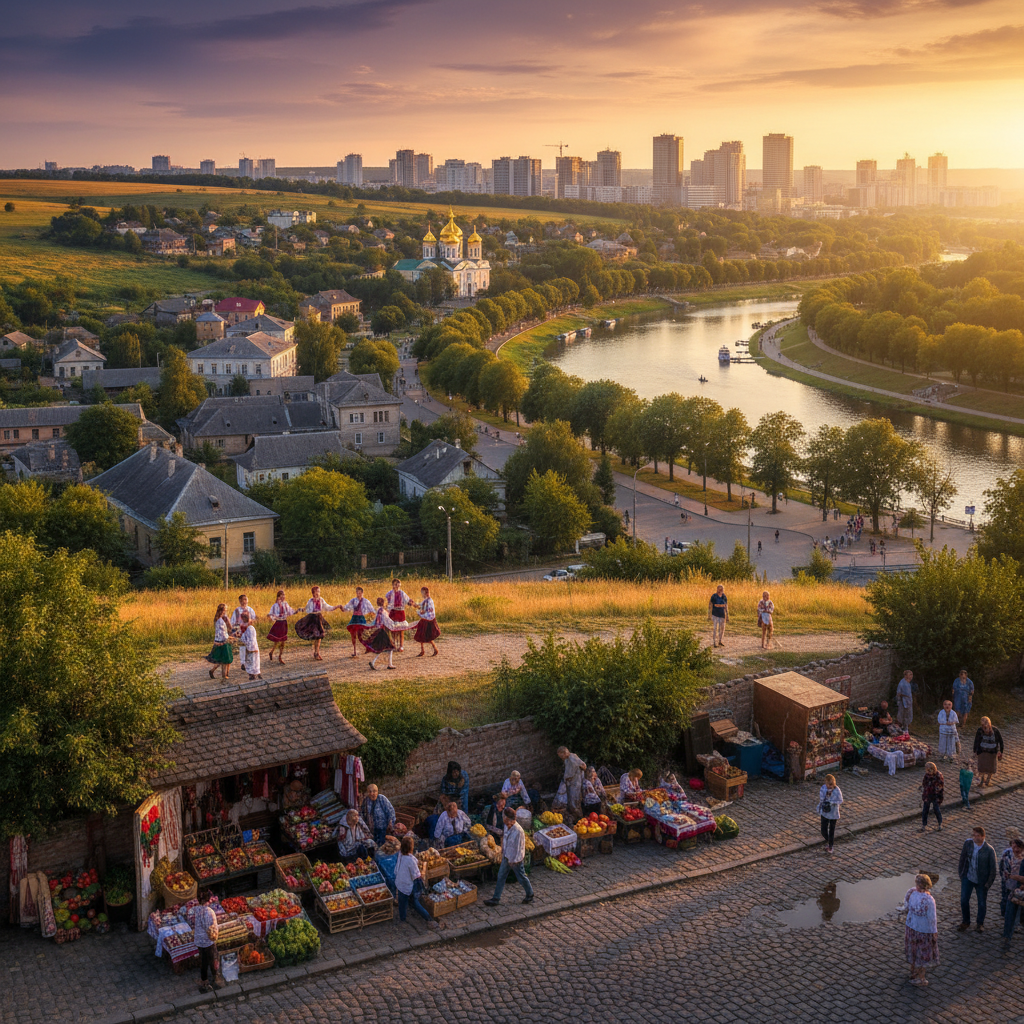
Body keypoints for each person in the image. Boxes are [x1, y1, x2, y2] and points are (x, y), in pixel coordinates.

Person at [484, 806, 534, 907]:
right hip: (507, 856)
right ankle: (496, 898)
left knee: (521, 877)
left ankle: (530, 893)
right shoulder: (507, 825)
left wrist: (514, 861)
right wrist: (502, 849)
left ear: (512, 820)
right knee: (501, 875)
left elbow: (519, 848)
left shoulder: (518, 831)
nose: (505, 821)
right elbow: (505, 837)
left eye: (507, 820)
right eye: (505, 819)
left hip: (516, 859)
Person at [395, 835, 442, 931]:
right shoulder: (410, 860)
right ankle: (428, 918)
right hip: (407, 885)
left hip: (399, 883)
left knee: (402, 902)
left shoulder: (400, 854)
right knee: (415, 903)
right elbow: (415, 875)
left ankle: (402, 918)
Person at [958, 825, 997, 932]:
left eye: (977, 836)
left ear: (983, 837)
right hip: (968, 877)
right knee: (964, 900)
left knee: (981, 903)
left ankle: (980, 923)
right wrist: (962, 874)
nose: (974, 837)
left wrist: (988, 884)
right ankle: (966, 921)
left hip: (981, 881)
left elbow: (993, 869)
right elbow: (962, 859)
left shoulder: (989, 850)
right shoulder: (968, 843)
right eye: (973, 835)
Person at [904, 874, 938, 987]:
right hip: (923, 931)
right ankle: (921, 978)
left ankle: (913, 972)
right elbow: (932, 919)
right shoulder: (929, 900)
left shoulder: (911, 893)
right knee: (922, 954)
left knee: (913, 951)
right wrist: (934, 933)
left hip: (911, 927)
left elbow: (906, 906)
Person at [361, 598, 408, 670]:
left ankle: (389, 664)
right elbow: (388, 622)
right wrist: (396, 625)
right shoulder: (383, 612)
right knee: (388, 647)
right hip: (383, 632)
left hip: (378, 631)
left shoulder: (378, 611)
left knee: (387, 647)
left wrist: (368, 626)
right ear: (383, 603)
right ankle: (376, 662)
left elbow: (375, 622)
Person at [294, 586, 337, 661]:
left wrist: (336, 607)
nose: (318, 593)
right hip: (312, 618)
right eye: (316, 591)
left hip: (319, 618)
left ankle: (317, 652)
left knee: (319, 636)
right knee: (316, 636)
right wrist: (299, 610)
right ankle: (316, 653)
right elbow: (306, 609)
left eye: (319, 591)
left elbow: (327, 607)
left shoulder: (321, 600)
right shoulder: (310, 601)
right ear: (313, 593)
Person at [192, 889, 221, 993]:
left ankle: (204, 981)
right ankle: (215, 980)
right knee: (213, 958)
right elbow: (210, 928)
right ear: (209, 899)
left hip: (199, 941)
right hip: (208, 941)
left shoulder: (197, 910)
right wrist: (215, 935)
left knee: (203, 961)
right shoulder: (209, 912)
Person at [999, 836, 1024, 950]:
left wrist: (1012, 876)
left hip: (1021, 890)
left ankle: (1016, 927)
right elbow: (1002, 870)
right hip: (1011, 891)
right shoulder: (1007, 855)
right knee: (1009, 914)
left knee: (1019, 915)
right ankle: (1007, 937)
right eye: (1014, 846)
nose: (1015, 849)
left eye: (1018, 847)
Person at [342, 587, 374, 658]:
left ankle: (367, 647)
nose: (358, 594)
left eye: (360, 593)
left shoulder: (366, 601)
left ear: (362, 593)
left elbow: (371, 609)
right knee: (353, 635)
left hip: (361, 619)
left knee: (361, 635)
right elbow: (347, 606)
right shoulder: (353, 600)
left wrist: (375, 614)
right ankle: (354, 651)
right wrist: (343, 608)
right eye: (357, 593)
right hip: (354, 618)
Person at [266, 590, 296, 665]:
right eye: (281, 595)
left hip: (284, 623)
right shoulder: (275, 605)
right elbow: (271, 614)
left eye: (284, 595)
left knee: (283, 641)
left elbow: (290, 611)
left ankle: (280, 657)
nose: (283, 596)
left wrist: (297, 611)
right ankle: (271, 652)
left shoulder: (286, 604)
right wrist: (271, 617)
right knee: (277, 640)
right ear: (278, 597)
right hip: (278, 624)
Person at [205, 604, 233, 680]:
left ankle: (212, 671)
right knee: (225, 659)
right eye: (225, 610)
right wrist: (229, 637)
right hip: (223, 641)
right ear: (222, 610)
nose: (226, 611)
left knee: (221, 659)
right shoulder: (220, 620)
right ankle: (224, 676)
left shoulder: (218, 619)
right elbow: (222, 632)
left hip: (219, 640)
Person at [557, 746, 586, 820]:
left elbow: (584, 766)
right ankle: (575, 817)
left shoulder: (573, 757)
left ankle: (580, 818)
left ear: (564, 753)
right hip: (570, 783)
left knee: (575, 801)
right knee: (570, 801)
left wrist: (579, 773)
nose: (561, 757)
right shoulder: (567, 760)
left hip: (575, 783)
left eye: (561, 755)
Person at [817, 774, 843, 855]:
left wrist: (832, 802)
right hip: (825, 811)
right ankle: (828, 841)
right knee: (823, 829)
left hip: (833, 813)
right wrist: (826, 796)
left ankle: (830, 845)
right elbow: (821, 798)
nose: (830, 786)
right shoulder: (823, 788)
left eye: (832, 784)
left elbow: (840, 800)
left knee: (832, 830)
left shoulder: (837, 790)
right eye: (829, 784)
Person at [973, 717, 1004, 786]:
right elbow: (977, 740)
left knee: (991, 767)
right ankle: (982, 780)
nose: (985, 725)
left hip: (992, 752)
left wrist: (1001, 751)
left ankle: (988, 780)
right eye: (983, 724)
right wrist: (975, 750)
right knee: (982, 767)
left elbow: (1000, 740)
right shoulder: (980, 730)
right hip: (982, 751)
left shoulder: (995, 730)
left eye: (986, 723)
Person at [385, 578, 413, 653]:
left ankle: (401, 646)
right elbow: (386, 602)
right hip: (393, 612)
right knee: (393, 629)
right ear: (392, 585)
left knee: (401, 630)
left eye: (398, 584)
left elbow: (408, 600)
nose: (397, 586)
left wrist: (411, 603)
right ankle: (394, 644)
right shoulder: (389, 594)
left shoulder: (402, 593)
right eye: (395, 584)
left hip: (400, 612)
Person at [413, 586, 440, 657]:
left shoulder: (429, 601)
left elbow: (428, 610)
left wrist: (422, 612)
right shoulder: (426, 600)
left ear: (426, 593)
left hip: (428, 620)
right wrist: (415, 605)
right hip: (425, 619)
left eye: (423, 593)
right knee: (420, 634)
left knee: (426, 635)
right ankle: (422, 650)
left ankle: (435, 649)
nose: (422, 594)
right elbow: (421, 605)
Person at [920, 762, 944, 832]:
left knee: (936, 809)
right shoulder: (927, 776)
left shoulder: (938, 775)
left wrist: (933, 790)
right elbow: (924, 783)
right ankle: (924, 825)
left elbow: (940, 786)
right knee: (925, 810)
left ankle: (940, 823)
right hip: (927, 794)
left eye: (929, 770)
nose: (927, 772)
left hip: (935, 795)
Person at [238, 611, 262, 680]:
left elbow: (250, 639)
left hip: (250, 647)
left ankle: (253, 675)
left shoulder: (250, 628)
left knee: (251, 661)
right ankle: (255, 673)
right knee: (253, 661)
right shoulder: (248, 627)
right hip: (251, 646)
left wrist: (247, 645)